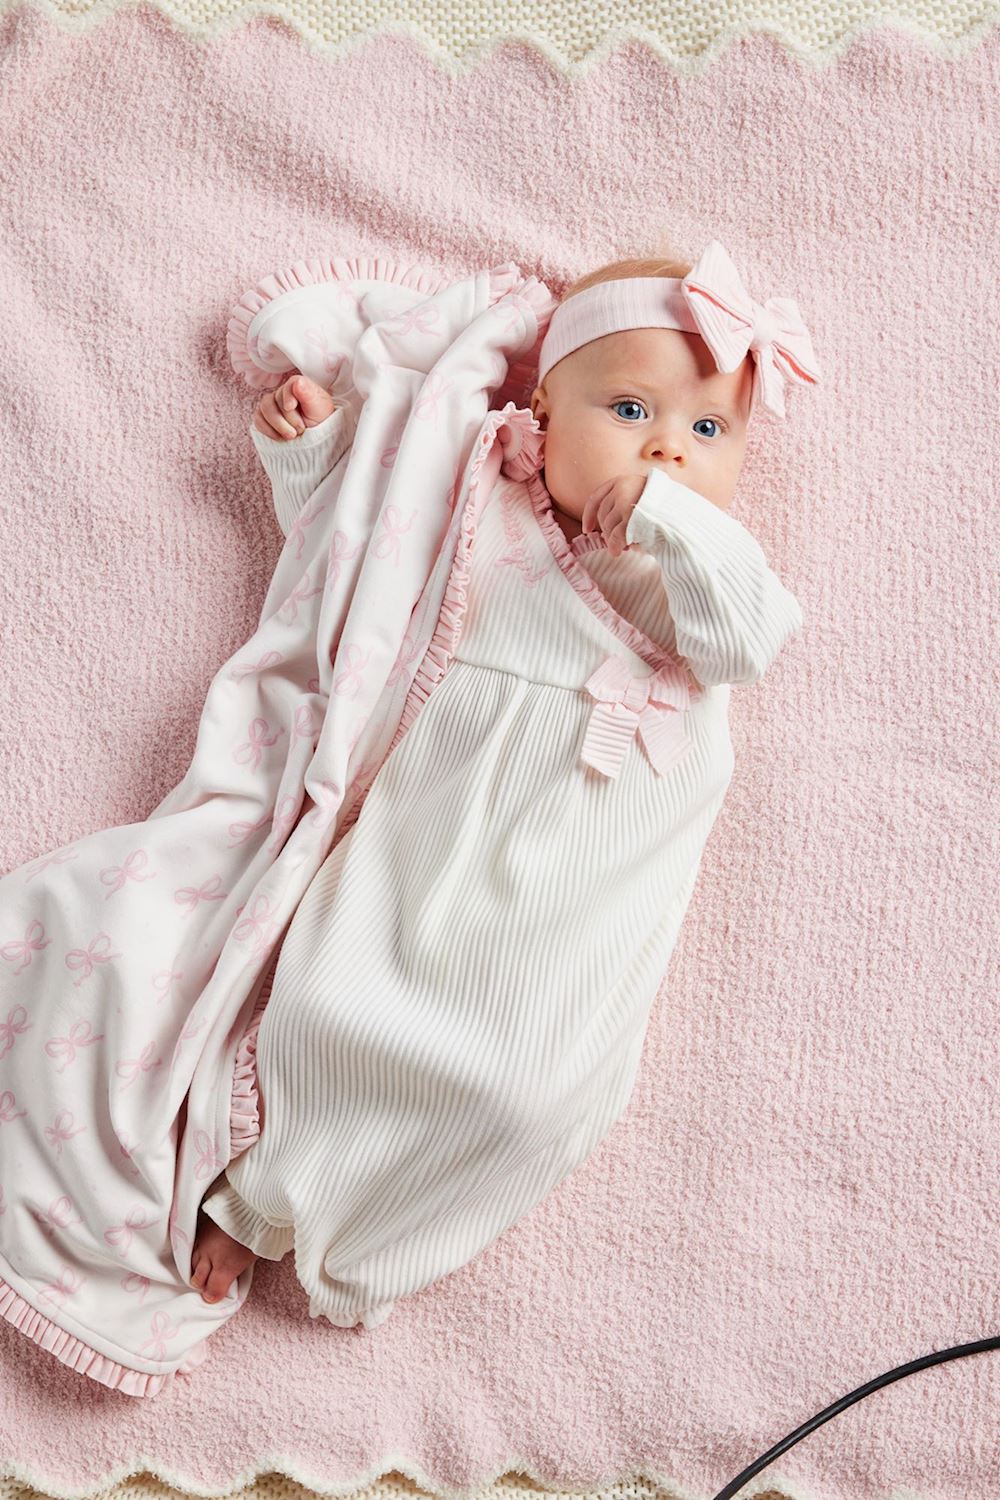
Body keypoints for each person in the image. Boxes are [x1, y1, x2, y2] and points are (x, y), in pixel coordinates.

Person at [189, 246, 815, 1325]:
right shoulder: (489, 500)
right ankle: (268, 1192)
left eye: (710, 432)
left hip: (591, 870)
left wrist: (667, 516)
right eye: (629, 408)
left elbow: (752, 638)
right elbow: (355, 566)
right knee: (333, 1002)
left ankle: (381, 1234)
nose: (669, 444)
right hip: (439, 814)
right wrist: (310, 453)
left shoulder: (696, 571)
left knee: (534, 1092)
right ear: (542, 408)